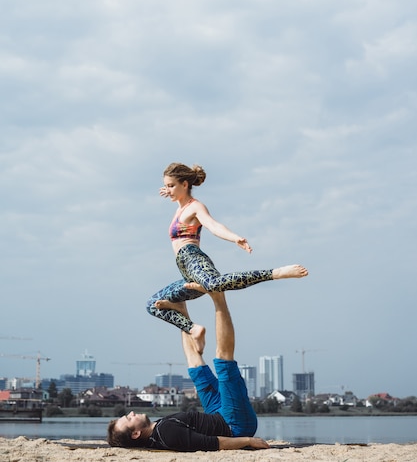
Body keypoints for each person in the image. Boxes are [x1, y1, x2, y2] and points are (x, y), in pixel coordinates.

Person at [146, 162, 308, 351]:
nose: (168, 190)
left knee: (214, 284)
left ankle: (276, 273)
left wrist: (235, 238)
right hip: (187, 274)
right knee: (152, 305)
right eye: (166, 186)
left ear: (185, 184)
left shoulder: (195, 207)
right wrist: (170, 191)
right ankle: (193, 329)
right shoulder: (179, 208)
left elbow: (213, 225)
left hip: (194, 260)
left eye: (171, 185)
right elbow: (173, 191)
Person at [107, 292, 270, 451]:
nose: (132, 412)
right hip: (234, 424)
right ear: (136, 434)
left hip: (216, 414)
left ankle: (181, 312)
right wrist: (249, 441)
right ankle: (218, 297)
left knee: (196, 371)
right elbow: (213, 443)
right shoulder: (167, 434)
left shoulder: (156, 433)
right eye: (129, 418)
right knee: (224, 363)